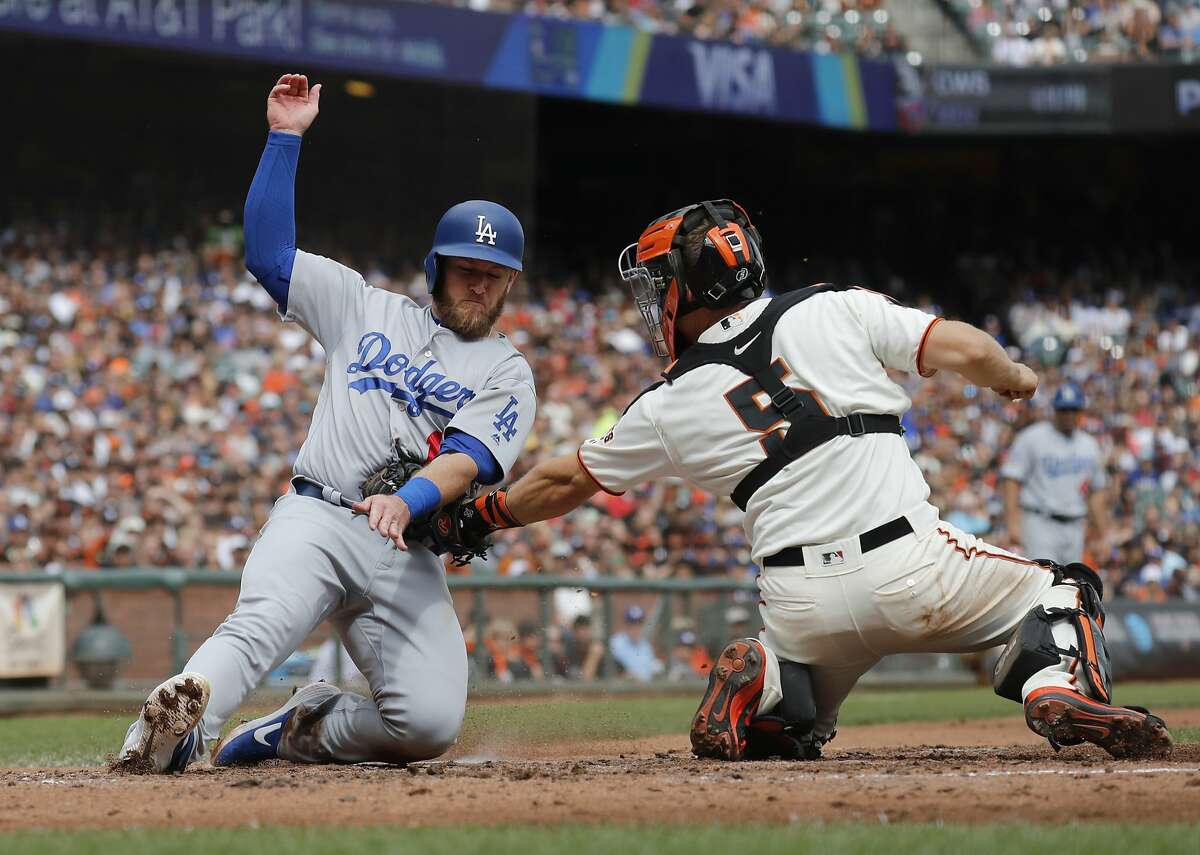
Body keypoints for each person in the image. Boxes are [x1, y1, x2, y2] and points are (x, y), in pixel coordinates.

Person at [445, 199, 1172, 762]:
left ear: (693, 284)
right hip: (916, 567)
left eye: (663, 279)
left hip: (799, 604)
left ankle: (763, 676)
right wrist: (1014, 376)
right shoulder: (834, 306)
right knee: (1063, 585)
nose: (656, 294)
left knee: (795, 728)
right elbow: (962, 346)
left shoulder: (666, 401)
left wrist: (480, 516)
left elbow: (565, 479)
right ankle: (1055, 690)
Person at [115, 73, 536, 773]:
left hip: (405, 547)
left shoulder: (506, 369)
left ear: (511, 281)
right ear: (436, 267)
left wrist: (409, 500)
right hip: (318, 515)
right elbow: (268, 255)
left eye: (495, 274)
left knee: (428, 723)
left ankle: (300, 728)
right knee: (260, 625)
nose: (481, 285)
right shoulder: (361, 305)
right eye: (467, 269)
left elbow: (469, 459)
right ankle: (169, 730)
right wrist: (284, 139)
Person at [1002, 383, 1109, 566]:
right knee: (1044, 582)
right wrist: (1013, 523)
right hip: (1040, 523)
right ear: (1055, 410)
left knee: (1070, 587)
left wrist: (1103, 534)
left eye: (1073, 410)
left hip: (1075, 525)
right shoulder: (1032, 438)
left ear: (1080, 411)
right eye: (1063, 410)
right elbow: (1011, 480)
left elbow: (1096, 491)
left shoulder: (1089, 445)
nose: (1068, 415)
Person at [608, 605, 664, 682]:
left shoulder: (646, 645)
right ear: (625, 625)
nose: (635, 629)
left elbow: (652, 670)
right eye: (632, 624)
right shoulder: (615, 642)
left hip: (644, 690)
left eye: (638, 625)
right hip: (622, 689)